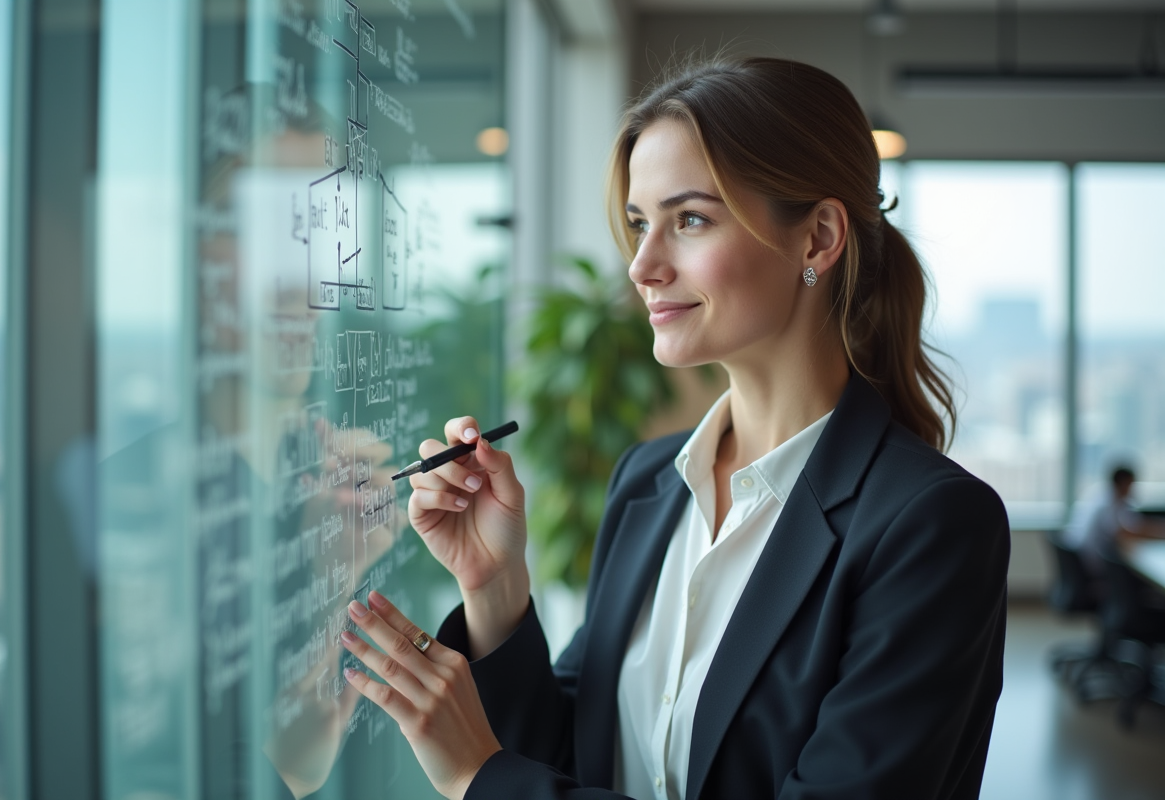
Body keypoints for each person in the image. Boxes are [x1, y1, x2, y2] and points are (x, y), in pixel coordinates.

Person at [336, 56, 1011, 800]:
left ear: (817, 238)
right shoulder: (647, 484)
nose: (643, 266)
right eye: (638, 224)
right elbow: (578, 755)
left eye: (689, 219)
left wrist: (479, 778)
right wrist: (494, 588)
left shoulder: (932, 525)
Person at [1066, 464, 1165, 580]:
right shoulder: (1106, 504)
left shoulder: (1106, 496)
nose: (1132, 489)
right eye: (1131, 484)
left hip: (1087, 558)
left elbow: (1134, 524)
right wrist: (1160, 534)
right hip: (1092, 562)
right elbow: (1123, 533)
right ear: (1123, 483)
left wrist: (1157, 529)